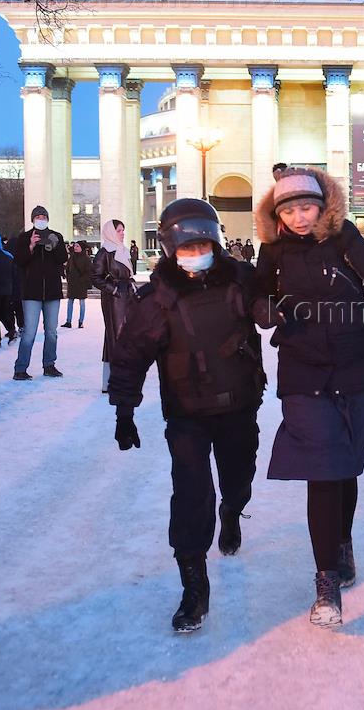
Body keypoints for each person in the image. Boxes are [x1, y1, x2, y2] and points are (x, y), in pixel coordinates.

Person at [251, 166, 364, 628]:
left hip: (359, 369)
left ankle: (342, 542)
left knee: (346, 466)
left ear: (324, 207)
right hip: (304, 373)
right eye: (290, 210)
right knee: (323, 469)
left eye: (307, 207)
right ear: (277, 214)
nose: (300, 218)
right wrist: (269, 310)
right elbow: (258, 299)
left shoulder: (344, 239)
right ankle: (326, 583)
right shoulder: (274, 249)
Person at [109, 198, 265, 633]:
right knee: (192, 496)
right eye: (185, 246)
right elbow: (130, 356)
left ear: (214, 240)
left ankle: (233, 509)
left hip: (238, 406)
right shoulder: (157, 298)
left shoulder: (241, 279)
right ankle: (194, 586)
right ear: (169, 247)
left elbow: (274, 301)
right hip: (187, 415)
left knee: (238, 479)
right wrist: (125, 409)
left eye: (201, 243)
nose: (195, 253)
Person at [13, 206, 67, 380]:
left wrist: (56, 245)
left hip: (52, 291)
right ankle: (20, 368)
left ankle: (49, 364)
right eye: (38, 216)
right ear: (33, 219)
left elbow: (62, 259)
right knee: (29, 331)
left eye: (44, 216)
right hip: (31, 291)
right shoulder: (24, 237)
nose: (41, 219)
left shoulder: (56, 236)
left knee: (51, 331)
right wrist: (31, 246)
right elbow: (19, 261)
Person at [93, 219, 137, 393]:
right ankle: (117, 380)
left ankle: (112, 379)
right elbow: (95, 276)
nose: (122, 233)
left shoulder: (122, 250)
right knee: (116, 335)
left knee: (121, 335)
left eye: (123, 230)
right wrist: (113, 290)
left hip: (127, 296)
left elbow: (128, 274)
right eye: (119, 230)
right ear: (111, 232)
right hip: (115, 299)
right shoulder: (105, 252)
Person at [62, 241, 92, 328]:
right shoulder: (72, 257)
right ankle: (68, 321)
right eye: (75, 246)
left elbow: (89, 271)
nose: (75, 247)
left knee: (82, 302)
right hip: (72, 283)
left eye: (77, 246)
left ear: (81, 247)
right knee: (70, 301)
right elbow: (68, 268)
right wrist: (68, 278)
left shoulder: (87, 258)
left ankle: (81, 321)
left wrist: (82, 279)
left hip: (81, 284)